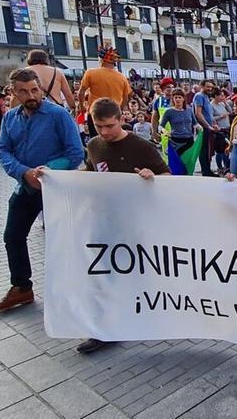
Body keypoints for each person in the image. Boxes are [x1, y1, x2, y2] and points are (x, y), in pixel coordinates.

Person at [77, 97, 170, 354]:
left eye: (110, 126)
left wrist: (152, 178)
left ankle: (143, 314)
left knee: (136, 273)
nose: (105, 132)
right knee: (103, 274)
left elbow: (168, 176)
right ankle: (104, 328)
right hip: (104, 221)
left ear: (121, 119)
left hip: (135, 223)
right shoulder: (94, 145)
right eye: (99, 127)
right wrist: (60, 179)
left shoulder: (142, 146)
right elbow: (90, 170)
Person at [0, 68, 84, 312]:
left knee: (64, 241)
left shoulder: (58, 115)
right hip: (26, 186)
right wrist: (23, 172)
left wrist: (46, 170)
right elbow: (2, 150)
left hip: (56, 188)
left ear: (40, 89)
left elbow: (75, 153)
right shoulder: (11, 117)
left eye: (34, 89)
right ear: (14, 92)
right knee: (13, 236)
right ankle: (21, 287)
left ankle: (75, 290)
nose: (31, 95)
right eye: (24, 91)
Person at [78, 46, 131, 137]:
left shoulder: (91, 73)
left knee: (96, 141)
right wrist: (119, 110)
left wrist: (82, 107)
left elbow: (81, 92)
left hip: (95, 113)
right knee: (114, 140)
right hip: (113, 115)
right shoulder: (122, 78)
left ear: (101, 59)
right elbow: (125, 98)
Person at [25, 49, 75, 113]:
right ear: (46, 59)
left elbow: (16, 96)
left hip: (34, 108)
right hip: (56, 107)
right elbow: (68, 95)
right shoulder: (57, 72)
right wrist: (73, 107)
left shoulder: (24, 72)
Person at [192, 81, 218, 177]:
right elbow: (198, 113)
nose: (210, 89)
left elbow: (209, 113)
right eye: (207, 87)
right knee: (204, 151)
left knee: (208, 150)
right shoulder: (199, 96)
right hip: (203, 128)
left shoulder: (206, 97)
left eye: (211, 87)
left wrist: (214, 124)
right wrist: (208, 126)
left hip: (209, 127)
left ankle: (208, 170)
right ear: (201, 86)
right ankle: (206, 171)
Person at [159, 88, 196, 155]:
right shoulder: (169, 112)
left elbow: (195, 124)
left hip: (189, 141)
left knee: (187, 163)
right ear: (173, 99)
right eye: (175, 97)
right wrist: (164, 131)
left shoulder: (189, 110)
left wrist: (200, 128)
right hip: (175, 141)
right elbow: (160, 126)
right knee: (176, 163)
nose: (177, 99)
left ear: (183, 98)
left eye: (179, 97)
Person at [212, 90, 232, 175]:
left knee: (226, 149)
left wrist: (226, 103)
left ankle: (226, 166)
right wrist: (220, 116)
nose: (223, 97)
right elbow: (211, 118)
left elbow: (230, 112)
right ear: (216, 96)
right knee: (220, 151)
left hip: (226, 128)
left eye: (223, 96)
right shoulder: (211, 105)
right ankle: (220, 167)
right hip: (219, 130)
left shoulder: (222, 104)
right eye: (221, 96)